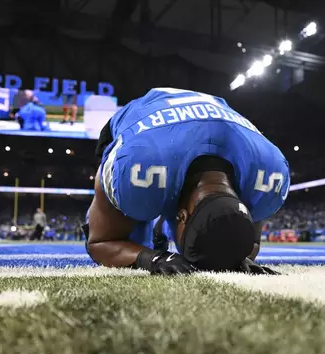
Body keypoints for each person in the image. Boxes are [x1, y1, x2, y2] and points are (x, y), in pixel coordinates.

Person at [83, 87, 290, 275]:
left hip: (198, 126)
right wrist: (150, 258)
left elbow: (248, 243)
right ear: (180, 216)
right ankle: (155, 225)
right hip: (142, 121)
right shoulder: (137, 167)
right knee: (136, 228)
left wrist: (233, 255)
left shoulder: (267, 174)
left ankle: (162, 227)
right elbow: (102, 242)